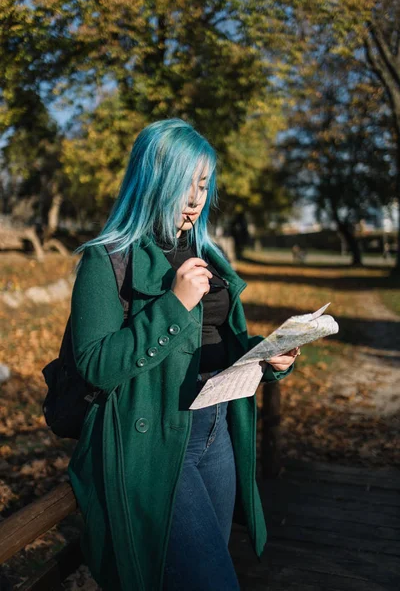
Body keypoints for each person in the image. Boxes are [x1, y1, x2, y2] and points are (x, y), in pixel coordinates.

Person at [67, 118, 298, 591]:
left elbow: (218, 339)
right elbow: (95, 364)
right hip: (153, 440)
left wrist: (266, 356)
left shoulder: (206, 252)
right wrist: (173, 304)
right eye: (184, 185)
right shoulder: (106, 258)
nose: (196, 201)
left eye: (203, 185)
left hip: (217, 431)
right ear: (152, 181)